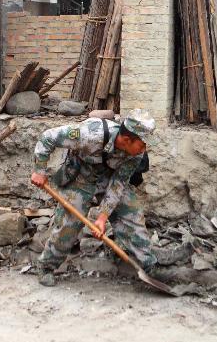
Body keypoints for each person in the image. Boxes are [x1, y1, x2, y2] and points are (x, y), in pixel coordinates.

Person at [29, 109, 160, 287]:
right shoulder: (90, 134)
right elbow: (48, 137)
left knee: (131, 211)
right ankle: (46, 267)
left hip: (108, 179)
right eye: (143, 143)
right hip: (80, 178)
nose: (145, 148)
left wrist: (102, 217)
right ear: (128, 139)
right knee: (68, 222)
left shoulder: (136, 153)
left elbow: (119, 183)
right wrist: (40, 170)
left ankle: (148, 266)